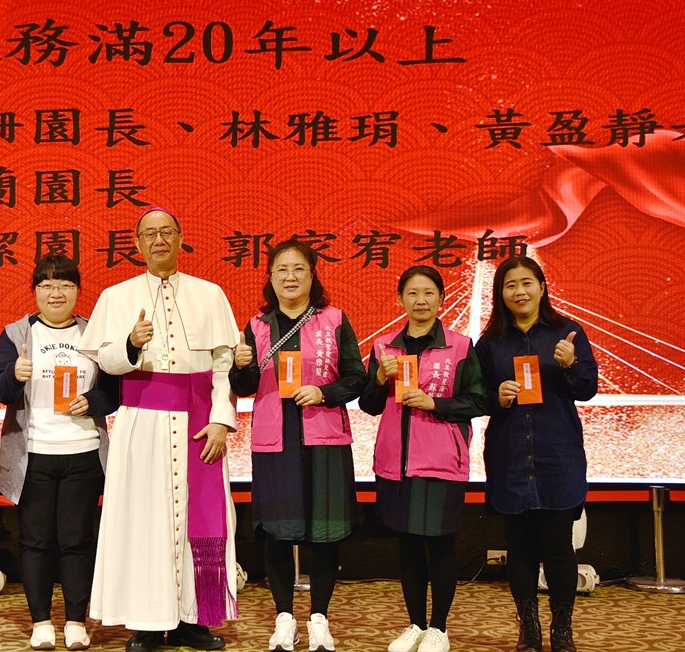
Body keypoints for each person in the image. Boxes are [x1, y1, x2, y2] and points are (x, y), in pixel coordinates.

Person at [78, 207, 240, 652]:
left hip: (199, 423)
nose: (159, 240)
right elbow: (105, 360)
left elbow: (223, 365)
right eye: (149, 234)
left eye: (167, 232)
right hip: (142, 423)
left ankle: (193, 621)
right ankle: (147, 623)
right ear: (137, 244)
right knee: (142, 521)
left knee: (200, 522)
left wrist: (221, 420)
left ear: (181, 238)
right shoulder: (117, 296)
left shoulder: (210, 294)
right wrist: (131, 343)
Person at [229, 240, 367, 652]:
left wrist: (325, 393)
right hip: (275, 438)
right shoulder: (256, 326)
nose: (290, 277)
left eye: (299, 269)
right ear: (270, 277)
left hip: (324, 436)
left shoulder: (334, 319)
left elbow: (357, 377)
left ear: (312, 274)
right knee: (278, 532)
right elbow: (244, 386)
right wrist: (240, 366)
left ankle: (319, 618)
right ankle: (284, 618)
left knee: (325, 532)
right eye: (281, 270)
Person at [0, 254, 118, 651]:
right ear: (35, 292)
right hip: (34, 455)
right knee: (36, 542)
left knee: (77, 540)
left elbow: (114, 393)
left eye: (64, 284)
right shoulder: (17, 334)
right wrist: (14, 375)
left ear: (78, 291)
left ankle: (76, 621)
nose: (56, 292)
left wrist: (92, 402)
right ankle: (41, 621)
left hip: (83, 453)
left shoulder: (94, 333)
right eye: (46, 285)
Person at [358, 266, 487, 652]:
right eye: (412, 293)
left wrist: (436, 404)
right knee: (408, 545)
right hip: (396, 463)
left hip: (441, 461)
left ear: (441, 299)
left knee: (440, 544)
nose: (421, 301)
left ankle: (439, 629)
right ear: (401, 299)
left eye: (429, 293)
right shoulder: (384, 347)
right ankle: (415, 624)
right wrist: (379, 378)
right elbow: (369, 405)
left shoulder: (460, 346)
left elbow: (479, 401)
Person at [474, 256, 597, 652]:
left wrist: (571, 364)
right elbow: (474, 397)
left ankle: (562, 630)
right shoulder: (489, 343)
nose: (519, 292)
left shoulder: (567, 332)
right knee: (520, 548)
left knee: (559, 546)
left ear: (542, 287)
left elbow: (587, 389)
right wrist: (497, 397)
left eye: (527, 283)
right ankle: (529, 630)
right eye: (510, 285)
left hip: (556, 452)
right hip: (510, 453)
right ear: (500, 294)